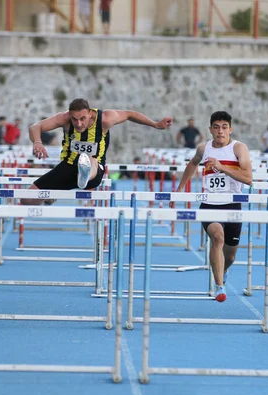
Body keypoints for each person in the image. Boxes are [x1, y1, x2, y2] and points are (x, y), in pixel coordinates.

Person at [23, 98, 173, 205]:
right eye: (75, 119)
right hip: (67, 167)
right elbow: (35, 127)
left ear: (90, 114)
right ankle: (51, 196)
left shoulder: (105, 119)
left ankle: (85, 173)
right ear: (70, 116)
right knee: (26, 200)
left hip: (95, 170)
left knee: (90, 160)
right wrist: (37, 141)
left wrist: (155, 124)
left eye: (82, 118)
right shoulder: (64, 118)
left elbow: (129, 114)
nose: (79, 123)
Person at [176, 111, 252, 303]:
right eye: (216, 127)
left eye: (224, 127)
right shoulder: (204, 148)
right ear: (210, 130)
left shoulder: (239, 149)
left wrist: (222, 166)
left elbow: (248, 179)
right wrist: (180, 188)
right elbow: (192, 164)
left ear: (230, 129)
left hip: (233, 205)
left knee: (231, 255)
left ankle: (222, 270)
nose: (220, 131)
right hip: (209, 204)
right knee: (217, 236)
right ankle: (219, 286)